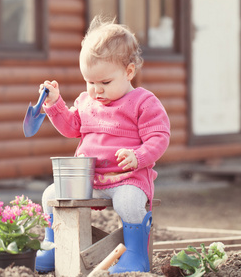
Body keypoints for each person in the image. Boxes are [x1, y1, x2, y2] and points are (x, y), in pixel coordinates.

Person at [35, 16, 170, 274]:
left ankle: (135, 254)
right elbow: (72, 127)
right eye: (90, 82)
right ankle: (54, 245)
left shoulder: (143, 101)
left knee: (129, 203)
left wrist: (138, 156)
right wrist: (55, 104)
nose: (96, 90)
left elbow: (159, 137)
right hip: (90, 181)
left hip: (127, 179)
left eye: (105, 83)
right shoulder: (87, 101)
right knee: (51, 195)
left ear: (129, 72)